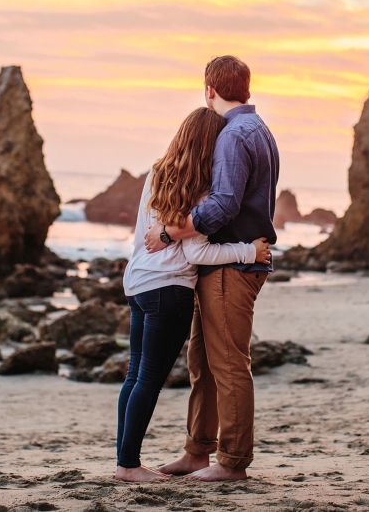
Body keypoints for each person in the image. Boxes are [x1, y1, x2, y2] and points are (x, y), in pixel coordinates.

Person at [116, 106, 273, 483]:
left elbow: (143, 234)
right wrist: (248, 251)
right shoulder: (197, 189)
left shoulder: (157, 171)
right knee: (149, 379)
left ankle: (125, 460)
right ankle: (129, 467)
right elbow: (196, 253)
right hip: (168, 290)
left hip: (137, 281)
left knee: (133, 375)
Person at [146, 55, 279, 482]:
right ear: (246, 88)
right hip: (227, 264)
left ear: (209, 89)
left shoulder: (233, 135)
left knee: (227, 363)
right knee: (202, 360)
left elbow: (223, 205)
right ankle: (197, 451)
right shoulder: (258, 130)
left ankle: (232, 462)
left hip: (232, 267)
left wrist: (170, 232)